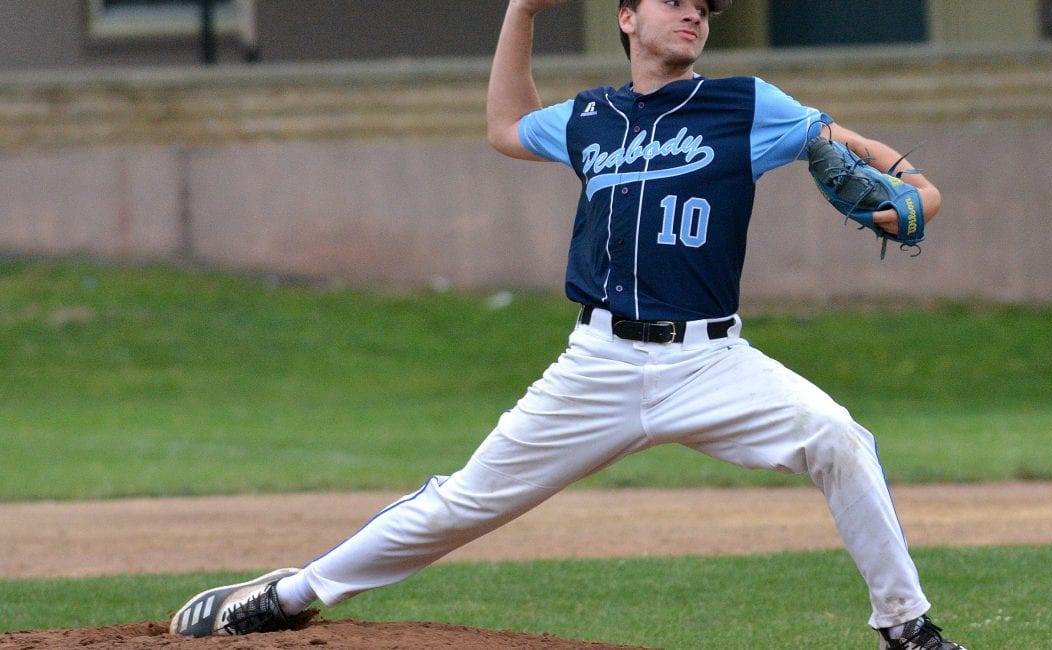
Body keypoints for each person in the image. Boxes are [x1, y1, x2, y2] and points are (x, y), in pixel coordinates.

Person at [167, 1, 964, 648]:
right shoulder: (590, 118)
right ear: (626, 17)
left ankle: (907, 628)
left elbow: (848, 146)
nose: (693, 13)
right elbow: (506, 128)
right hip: (600, 363)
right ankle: (288, 596)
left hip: (713, 362)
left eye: (703, 6)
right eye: (674, 0)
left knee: (839, 439)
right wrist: (523, 11)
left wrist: (914, 189)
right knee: (463, 503)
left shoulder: (748, 103)